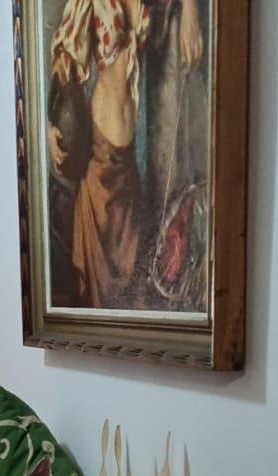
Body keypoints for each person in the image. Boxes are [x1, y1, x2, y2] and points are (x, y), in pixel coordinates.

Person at [47, 0, 202, 309]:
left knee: (130, 279)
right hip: (100, 156)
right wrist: (47, 127)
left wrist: (190, 8)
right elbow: (63, 60)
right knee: (101, 287)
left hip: (129, 158)